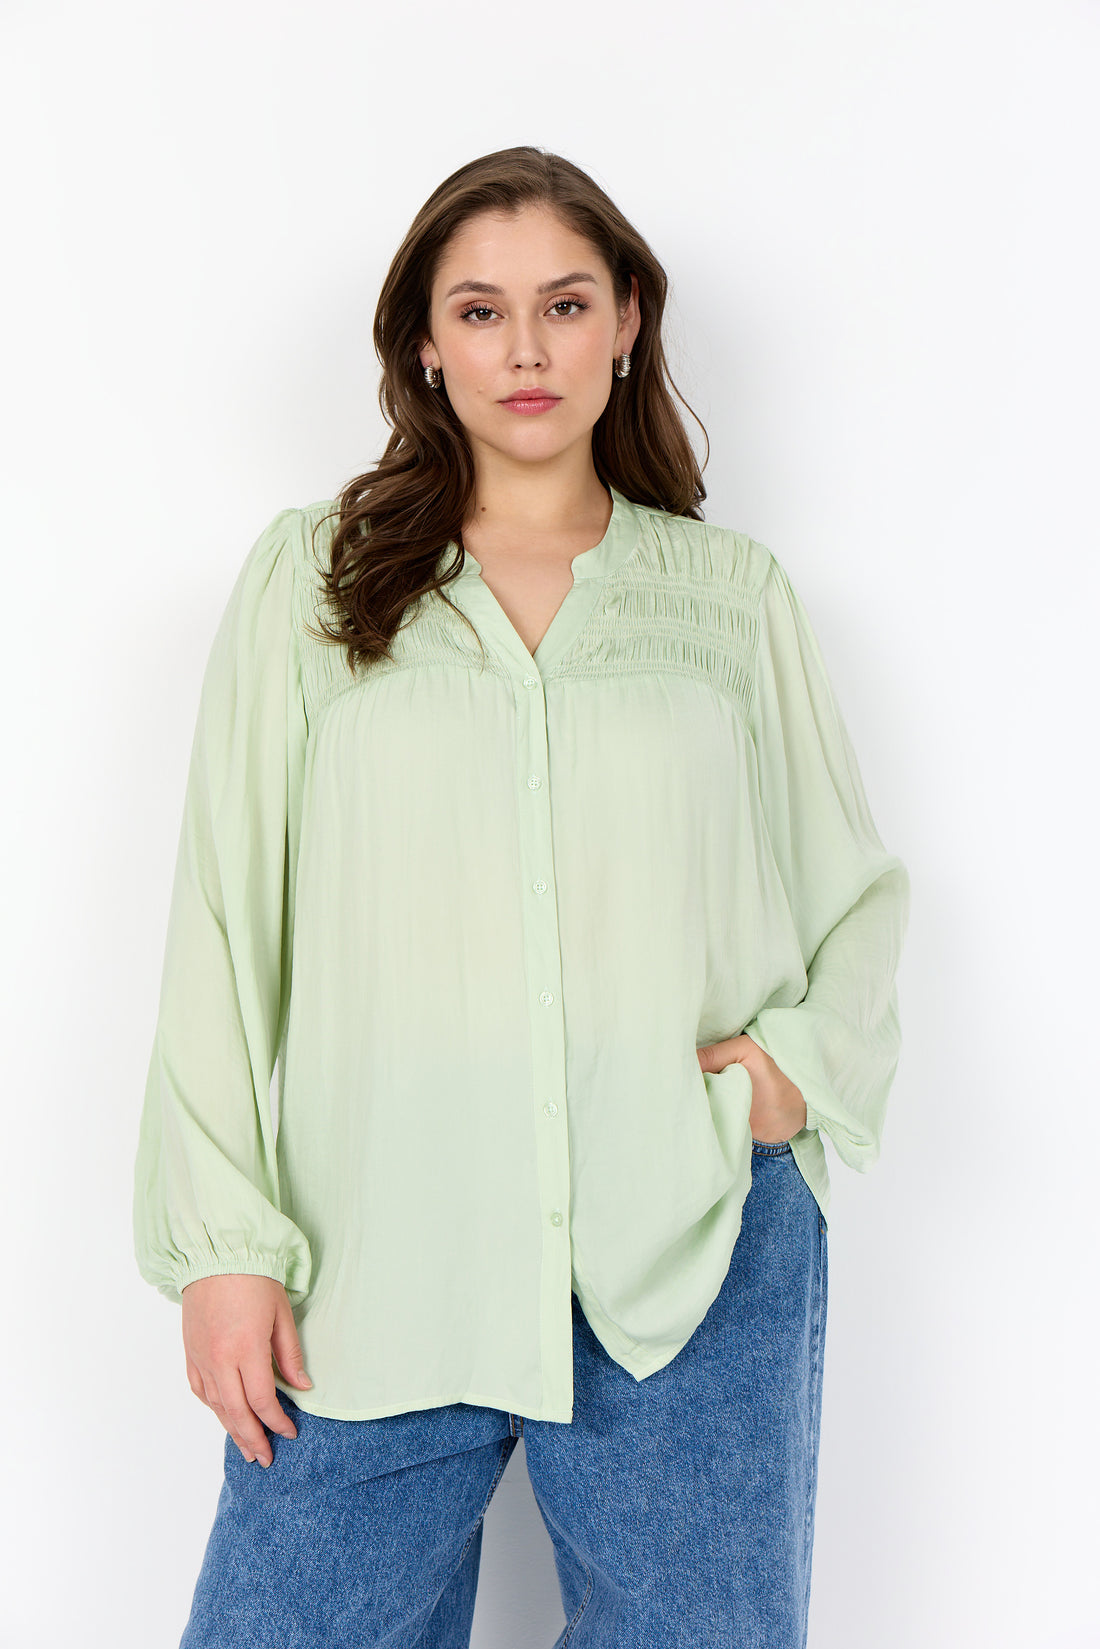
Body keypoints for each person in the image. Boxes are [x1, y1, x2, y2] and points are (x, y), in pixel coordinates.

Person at [132, 145, 910, 1649]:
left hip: (689, 1241)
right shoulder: (316, 580)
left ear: (626, 322)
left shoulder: (730, 598)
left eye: (564, 303)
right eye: (480, 311)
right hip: (375, 1249)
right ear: (425, 345)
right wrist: (223, 1243)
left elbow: (857, 896)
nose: (527, 349)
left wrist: (789, 1079)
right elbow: (222, 921)